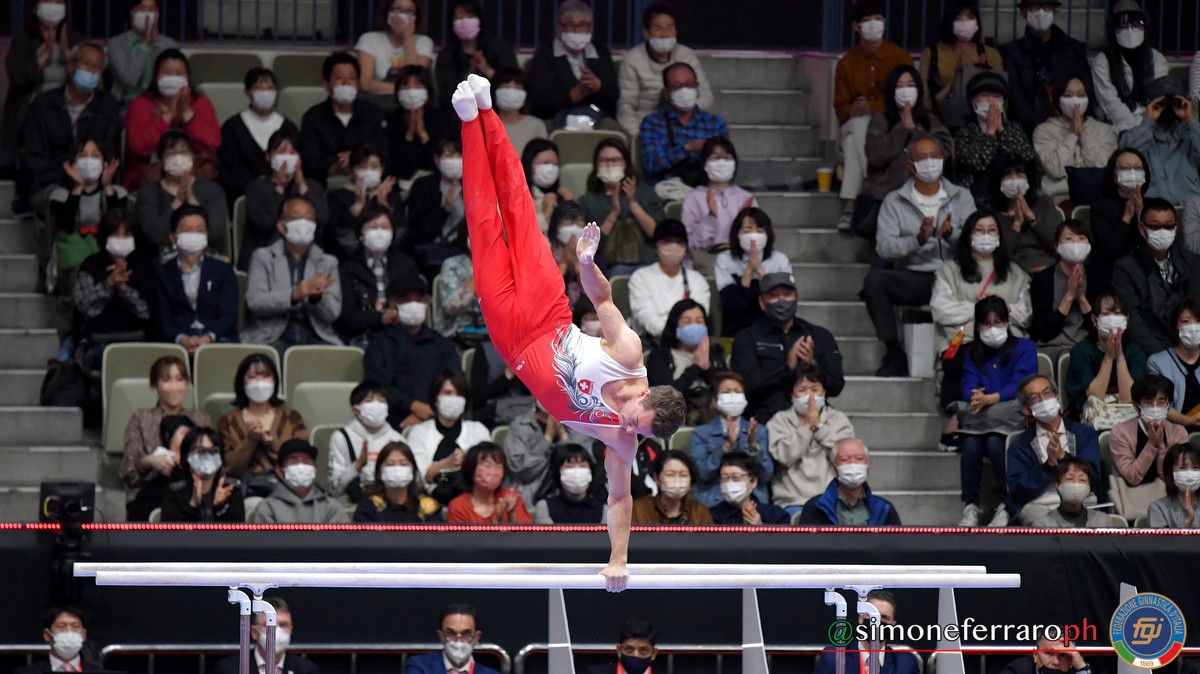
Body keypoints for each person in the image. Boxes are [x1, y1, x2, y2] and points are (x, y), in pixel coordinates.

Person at [452, 74, 687, 589]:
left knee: (483, 226)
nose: (628, 428)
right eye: (636, 419)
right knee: (518, 212)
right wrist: (585, 264)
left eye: (639, 432)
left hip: (513, 340)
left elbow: (620, 498)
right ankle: (488, 112)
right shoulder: (628, 353)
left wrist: (619, 559)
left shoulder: (623, 442)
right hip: (549, 312)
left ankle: (469, 124)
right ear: (643, 394)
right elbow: (602, 299)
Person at [867, 137, 975, 376]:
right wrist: (917, 240)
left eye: (934, 156)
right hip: (915, 277)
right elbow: (884, 247)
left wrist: (951, 235)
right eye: (922, 158)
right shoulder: (894, 201)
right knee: (875, 282)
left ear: (943, 159)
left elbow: (976, 240)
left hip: (954, 275)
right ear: (910, 165)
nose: (930, 163)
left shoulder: (962, 196)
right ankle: (894, 352)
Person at [931, 212, 1032, 437]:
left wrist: (1003, 309)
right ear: (968, 235)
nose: (986, 235)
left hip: (1008, 341)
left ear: (999, 236)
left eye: (991, 230)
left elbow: (1025, 315)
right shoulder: (950, 270)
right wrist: (981, 309)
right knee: (970, 357)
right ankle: (964, 417)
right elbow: (941, 309)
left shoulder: (1015, 273)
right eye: (979, 230)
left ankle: (981, 416)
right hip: (965, 340)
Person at [955, 296, 1037, 527]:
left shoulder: (1025, 348)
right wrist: (975, 396)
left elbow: (1022, 383)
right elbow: (968, 383)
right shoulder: (972, 353)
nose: (992, 329)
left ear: (1007, 322)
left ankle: (1005, 503)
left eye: (998, 322)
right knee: (970, 443)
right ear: (978, 326)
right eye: (986, 324)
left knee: (994, 442)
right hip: (982, 418)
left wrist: (991, 398)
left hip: (1012, 415)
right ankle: (971, 505)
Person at [833, 1, 914, 229]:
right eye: (867, 20)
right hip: (855, 122)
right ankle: (877, 190)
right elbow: (840, 107)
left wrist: (874, 107)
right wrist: (853, 110)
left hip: (890, 123)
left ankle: (850, 204)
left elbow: (908, 95)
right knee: (859, 125)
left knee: (853, 141)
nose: (873, 24)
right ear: (856, 27)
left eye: (878, 19)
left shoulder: (899, 57)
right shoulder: (846, 63)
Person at [17, 43, 119, 218]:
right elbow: (34, 155)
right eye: (86, 64)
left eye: (97, 67)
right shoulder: (43, 105)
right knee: (62, 198)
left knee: (101, 198)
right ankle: (60, 237)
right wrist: (68, 178)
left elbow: (109, 151)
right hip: (50, 182)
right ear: (71, 66)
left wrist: (89, 180)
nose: (92, 71)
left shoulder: (107, 106)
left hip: (95, 182)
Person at [732, 271, 845, 419]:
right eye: (773, 296)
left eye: (787, 295)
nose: (781, 301)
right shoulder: (747, 337)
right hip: (765, 418)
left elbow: (836, 386)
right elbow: (745, 386)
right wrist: (787, 369)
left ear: (796, 297)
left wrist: (812, 364)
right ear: (761, 302)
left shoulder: (819, 335)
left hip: (813, 416)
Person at [242, 196, 343, 353]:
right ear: (281, 226)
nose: (303, 223)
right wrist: (293, 295)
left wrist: (316, 298)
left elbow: (333, 313)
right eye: (296, 218)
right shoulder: (263, 257)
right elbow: (255, 302)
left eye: (309, 218)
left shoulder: (327, 262)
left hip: (316, 335)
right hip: (272, 336)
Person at [861, 64, 953, 230]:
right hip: (886, 197)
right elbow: (875, 155)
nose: (905, 91)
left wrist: (915, 129)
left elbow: (945, 149)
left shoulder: (929, 120)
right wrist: (901, 129)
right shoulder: (880, 120)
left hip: (927, 199)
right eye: (899, 86)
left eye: (910, 85)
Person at [364, 274, 461, 428]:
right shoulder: (379, 346)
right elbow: (381, 386)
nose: (413, 305)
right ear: (394, 303)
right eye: (406, 300)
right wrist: (413, 406)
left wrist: (429, 411)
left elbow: (452, 382)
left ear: (427, 303)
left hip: (437, 417)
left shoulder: (443, 345)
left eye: (419, 299)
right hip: (392, 420)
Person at [119, 356, 211, 518]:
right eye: (167, 380)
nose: (174, 387)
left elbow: (214, 460)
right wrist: (150, 461)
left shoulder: (201, 420)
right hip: (150, 492)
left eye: (179, 379)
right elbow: (129, 470)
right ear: (155, 385)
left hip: (193, 488)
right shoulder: (141, 418)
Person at [3, 1, 83, 184]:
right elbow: (17, 76)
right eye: (48, 1)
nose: (53, 6)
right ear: (35, 8)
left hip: (68, 106)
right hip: (32, 108)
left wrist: (67, 54)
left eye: (58, 2)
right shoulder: (23, 41)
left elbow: (85, 79)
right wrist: (45, 53)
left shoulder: (74, 40)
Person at [1007, 374, 1103, 524]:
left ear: (1057, 398)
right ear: (1026, 410)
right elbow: (1018, 490)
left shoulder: (1085, 434)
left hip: (1083, 502)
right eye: (1034, 397)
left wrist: (1062, 457)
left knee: (1103, 524)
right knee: (1047, 526)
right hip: (1040, 505)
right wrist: (1049, 465)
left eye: (1047, 393)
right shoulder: (1020, 444)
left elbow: (1093, 474)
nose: (1043, 400)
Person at [1112, 197, 1200, 355]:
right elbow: (1133, 320)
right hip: (1151, 348)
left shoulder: (1191, 260)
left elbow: (1196, 306)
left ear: (1176, 227)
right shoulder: (1125, 268)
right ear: (1142, 228)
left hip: (1191, 341)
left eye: (1169, 226)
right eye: (1155, 226)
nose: (1162, 232)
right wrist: (1163, 355)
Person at [124, 48, 221, 189]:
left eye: (179, 73)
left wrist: (187, 114)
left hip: (195, 176)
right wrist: (168, 115)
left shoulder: (200, 103)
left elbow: (213, 144)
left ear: (187, 77)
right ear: (156, 76)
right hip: (150, 179)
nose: (173, 78)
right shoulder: (140, 104)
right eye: (167, 73)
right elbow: (137, 147)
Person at [617, 1, 713, 138]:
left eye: (669, 28)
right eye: (658, 28)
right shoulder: (632, 59)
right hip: (647, 128)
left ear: (676, 30)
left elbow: (706, 96)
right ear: (646, 32)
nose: (664, 34)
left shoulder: (687, 55)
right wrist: (640, 135)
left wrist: (685, 116)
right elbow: (625, 106)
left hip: (687, 125)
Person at [766, 365, 854, 514]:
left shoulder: (838, 419)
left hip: (832, 501)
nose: (809, 397)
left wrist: (818, 428)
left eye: (815, 390)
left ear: (824, 392)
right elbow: (784, 458)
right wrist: (806, 428)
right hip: (792, 502)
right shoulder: (779, 420)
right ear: (791, 394)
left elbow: (845, 456)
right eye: (802, 390)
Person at [72, 210, 155, 367]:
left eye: (127, 235)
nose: (121, 240)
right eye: (116, 235)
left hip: (138, 341)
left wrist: (124, 288)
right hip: (99, 342)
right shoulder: (91, 265)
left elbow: (146, 312)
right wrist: (109, 283)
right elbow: (85, 307)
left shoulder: (145, 267)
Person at [152, 205, 239, 350]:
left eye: (200, 231)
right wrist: (181, 339)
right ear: (173, 238)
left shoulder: (222, 269)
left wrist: (208, 337)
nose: (194, 236)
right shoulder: (162, 273)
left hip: (217, 340)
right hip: (175, 344)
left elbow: (228, 315)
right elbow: (162, 319)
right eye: (187, 230)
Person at [299, 52, 390, 188]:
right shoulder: (313, 117)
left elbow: (384, 153)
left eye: (351, 78)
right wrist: (337, 167)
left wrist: (358, 159)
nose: (346, 83)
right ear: (327, 84)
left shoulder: (373, 114)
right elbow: (309, 162)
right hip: (326, 185)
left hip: (368, 180)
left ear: (358, 84)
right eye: (339, 78)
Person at [243, 128, 331, 269]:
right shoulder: (257, 187)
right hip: (265, 257)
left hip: (307, 257)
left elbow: (322, 218)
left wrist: (301, 185)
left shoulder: (312, 186)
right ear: (268, 156)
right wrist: (280, 187)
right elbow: (265, 222)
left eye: (292, 153)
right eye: (281, 152)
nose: (287, 157)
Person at [335, 204, 419, 347]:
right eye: (373, 227)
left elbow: (415, 303)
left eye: (385, 227)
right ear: (361, 234)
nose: (379, 232)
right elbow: (347, 318)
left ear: (392, 234)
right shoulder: (348, 268)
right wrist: (380, 318)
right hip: (361, 337)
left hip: (401, 335)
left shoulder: (406, 265)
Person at [1000, 1, 1090, 134]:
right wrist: (1041, 128)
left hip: (1072, 125)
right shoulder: (1011, 52)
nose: (1041, 13)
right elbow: (1016, 97)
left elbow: (1087, 88)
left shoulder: (1074, 49)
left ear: (1053, 10)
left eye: (1046, 7)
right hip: (1028, 130)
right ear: (1024, 12)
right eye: (1035, 8)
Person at [578, 137, 665, 273]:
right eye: (604, 161)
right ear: (596, 164)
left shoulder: (646, 193)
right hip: (607, 267)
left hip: (647, 264)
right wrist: (613, 215)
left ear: (626, 164)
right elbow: (589, 246)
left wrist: (633, 204)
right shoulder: (587, 201)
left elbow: (658, 234)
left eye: (615, 160)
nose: (609, 165)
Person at [638, 62, 730, 188]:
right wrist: (687, 148)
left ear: (697, 86)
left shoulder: (715, 123)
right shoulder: (653, 122)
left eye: (689, 84)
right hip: (665, 190)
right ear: (667, 93)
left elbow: (726, 165)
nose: (684, 90)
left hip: (705, 189)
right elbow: (651, 164)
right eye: (677, 86)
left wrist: (709, 152)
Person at [526, 0, 620, 124]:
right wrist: (574, 94)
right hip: (554, 120)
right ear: (559, 28)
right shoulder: (544, 55)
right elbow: (538, 101)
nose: (576, 31)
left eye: (582, 25)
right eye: (570, 25)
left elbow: (615, 95)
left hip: (598, 119)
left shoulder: (601, 53)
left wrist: (597, 86)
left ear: (590, 28)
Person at [219, 353, 308, 482]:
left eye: (265, 375)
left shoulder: (292, 418)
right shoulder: (228, 422)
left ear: (274, 380)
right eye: (252, 376)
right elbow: (229, 469)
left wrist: (270, 443)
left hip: (286, 485)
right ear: (242, 382)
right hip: (245, 487)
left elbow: (301, 462)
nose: (259, 382)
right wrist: (251, 441)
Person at [1031, 74, 1119, 204]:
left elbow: (1104, 167)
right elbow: (1055, 169)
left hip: (1098, 199)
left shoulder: (1105, 131)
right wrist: (1072, 135)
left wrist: (1083, 135)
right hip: (1058, 200)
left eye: (1081, 95)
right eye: (1068, 95)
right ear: (1058, 100)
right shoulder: (1043, 131)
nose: (1075, 101)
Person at [407, 370, 492, 505]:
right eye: (448, 393)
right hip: (428, 504)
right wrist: (446, 464)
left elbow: (488, 471)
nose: (454, 399)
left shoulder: (478, 431)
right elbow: (420, 477)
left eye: (459, 394)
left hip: (472, 503)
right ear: (436, 399)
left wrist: (468, 461)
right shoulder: (418, 433)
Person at [135, 130, 229, 250]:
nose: (178, 158)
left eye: (184, 152)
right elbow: (155, 236)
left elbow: (215, 232)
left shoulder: (212, 190)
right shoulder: (148, 192)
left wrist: (192, 201)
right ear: (161, 159)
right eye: (171, 153)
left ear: (192, 157)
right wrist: (177, 202)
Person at [48, 138, 127, 278]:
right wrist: (78, 187)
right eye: (82, 155)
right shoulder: (59, 195)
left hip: (106, 252)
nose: (89, 160)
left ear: (104, 163)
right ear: (73, 163)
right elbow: (66, 226)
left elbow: (118, 226)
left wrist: (107, 187)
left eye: (95, 156)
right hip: (74, 253)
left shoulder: (118, 192)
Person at [689, 371, 770, 508]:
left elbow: (766, 475)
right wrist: (725, 448)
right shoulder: (701, 434)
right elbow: (701, 474)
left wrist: (753, 449)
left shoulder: (759, 431)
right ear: (715, 401)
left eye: (738, 392)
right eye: (726, 392)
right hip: (714, 502)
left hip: (752, 501)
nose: (733, 396)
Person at [218, 67, 299, 204]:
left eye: (270, 88)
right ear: (247, 92)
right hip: (244, 196)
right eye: (259, 88)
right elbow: (229, 170)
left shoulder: (289, 127)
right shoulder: (233, 127)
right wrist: (258, 185)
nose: (265, 93)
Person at [918, 1, 1003, 128]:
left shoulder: (990, 54)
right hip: (942, 123)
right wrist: (958, 77)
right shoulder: (932, 53)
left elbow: (1000, 96)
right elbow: (927, 103)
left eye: (970, 17)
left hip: (983, 123)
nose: (965, 23)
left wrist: (982, 73)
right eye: (959, 19)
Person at [1063, 291, 1147, 420]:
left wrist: (1120, 358)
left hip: (1127, 418)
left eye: (1117, 313)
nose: (1112, 319)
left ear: (1126, 319)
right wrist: (1108, 358)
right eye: (1106, 314)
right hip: (1091, 419)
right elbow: (1094, 398)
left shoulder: (1135, 351)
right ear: (1094, 320)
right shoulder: (1081, 352)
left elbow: (1128, 399)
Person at [1091, 0, 1168, 136]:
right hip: (1115, 127)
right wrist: (1135, 132)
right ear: (1114, 30)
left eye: (1137, 24)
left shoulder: (1157, 59)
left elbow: (1158, 99)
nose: (1130, 30)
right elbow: (1111, 104)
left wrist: (1144, 127)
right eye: (1122, 25)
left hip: (1151, 126)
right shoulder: (1102, 62)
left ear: (1144, 28)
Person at [955, 72, 1038, 199]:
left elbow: (1026, 158)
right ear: (972, 101)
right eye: (984, 96)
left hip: (1012, 192)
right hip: (978, 196)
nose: (991, 101)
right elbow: (977, 163)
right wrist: (990, 132)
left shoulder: (1014, 128)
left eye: (996, 96)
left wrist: (1002, 131)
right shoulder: (964, 132)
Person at [712, 208, 791, 337]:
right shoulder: (724, 259)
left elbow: (781, 305)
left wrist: (760, 271)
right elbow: (730, 305)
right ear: (737, 234)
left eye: (759, 231)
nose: (753, 236)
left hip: (772, 331)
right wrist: (749, 270)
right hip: (735, 330)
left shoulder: (779, 260)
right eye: (747, 231)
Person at [1121, 76, 1200, 206]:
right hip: (1153, 209)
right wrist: (1148, 121)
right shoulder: (1136, 134)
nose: (1168, 108)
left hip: (1191, 206)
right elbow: (1125, 157)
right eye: (1162, 103)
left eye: (1174, 102)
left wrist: (1190, 119)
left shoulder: (1191, 133)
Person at [645, 299, 725, 425]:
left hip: (716, 420)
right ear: (675, 325)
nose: (694, 326)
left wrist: (707, 368)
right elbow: (662, 398)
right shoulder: (660, 356)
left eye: (699, 321)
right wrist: (695, 367)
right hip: (676, 421)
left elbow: (728, 390)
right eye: (687, 321)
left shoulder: (714, 355)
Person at [1108, 374, 1179, 517]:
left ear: (1169, 404)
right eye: (1148, 402)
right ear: (1136, 406)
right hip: (1130, 502)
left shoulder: (1178, 432)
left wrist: (1161, 446)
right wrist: (1151, 445)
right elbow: (1132, 477)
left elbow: (1171, 478)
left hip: (1168, 502)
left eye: (1161, 401)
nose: (1155, 407)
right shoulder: (1120, 433)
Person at [627, 220, 711, 339]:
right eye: (667, 241)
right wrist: (673, 334)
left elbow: (698, 318)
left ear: (686, 248)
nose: (673, 247)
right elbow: (647, 317)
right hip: (651, 341)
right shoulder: (640, 277)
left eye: (679, 242)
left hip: (689, 339)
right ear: (656, 247)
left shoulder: (697, 280)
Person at [1027, 220, 1095, 362]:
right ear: (1057, 247)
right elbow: (1043, 331)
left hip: (1086, 346)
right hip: (1049, 346)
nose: (1075, 243)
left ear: (1089, 246)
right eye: (1069, 238)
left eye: (1081, 238)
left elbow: (1098, 330)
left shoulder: (1098, 277)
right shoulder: (1042, 280)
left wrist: (1081, 299)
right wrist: (1069, 296)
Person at [434, 0, 518, 113]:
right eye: (459, 18)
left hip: (497, 112)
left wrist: (486, 69)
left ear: (480, 20)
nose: (465, 22)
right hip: (459, 115)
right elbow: (447, 97)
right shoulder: (446, 54)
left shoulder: (499, 47)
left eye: (470, 16)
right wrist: (470, 71)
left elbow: (514, 85)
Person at [327, 380, 404, 501]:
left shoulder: (397, 439)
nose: (376, 406)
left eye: (381, 401)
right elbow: (334, 490)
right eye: (369, 401)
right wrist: (357, 466)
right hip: (351, 504)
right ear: (355, 409)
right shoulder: (341, 438)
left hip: (390, 503)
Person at [326, 143, 405, 260]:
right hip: (349, 258)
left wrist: (385, 208)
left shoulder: (392, 197)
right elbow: (332, 237)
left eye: (374, 167)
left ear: (382, 168)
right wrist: (357, 208)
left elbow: (401, 235)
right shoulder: (337, 196)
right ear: (352, 170)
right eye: (362, 167)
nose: (368, 171)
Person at [1088, 148, 1150, 297]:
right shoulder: (1100, 206)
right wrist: (1127, 216)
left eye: (1137, 168)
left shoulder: (1153, 206)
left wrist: (1140, 214)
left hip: (1145, 273)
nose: (1132, 172)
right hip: (1110, 274)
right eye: (1125, 168)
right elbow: (1110, 249)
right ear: (1114, 175)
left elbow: (1153, 247)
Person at [505, 402, 593, 508]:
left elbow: (587, 467)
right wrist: (547, 439)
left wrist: (564, 439)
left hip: (574, 500)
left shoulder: (580, 425)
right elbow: (522, 470)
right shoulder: (520, 426)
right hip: (530, 499)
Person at [812, 590, 921, 674]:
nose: (877, 622)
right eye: (872, 615)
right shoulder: (833, 657)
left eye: (884, 617)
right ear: (861, 619)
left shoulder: (905, 664)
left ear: (893, 625)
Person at [797, 438, 900, 525]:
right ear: (833, 468)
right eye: (844, 459)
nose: (852, 464)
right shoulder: (816, 508)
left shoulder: (884, 509)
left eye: (859, 458)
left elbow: (897, 542)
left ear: (868, 466)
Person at [682, 137, 758, 253]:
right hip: (705, 260)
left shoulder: (746, 198)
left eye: (727, 158)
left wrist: (741, 221)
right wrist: (711, 218)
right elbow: (690, 243)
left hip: (740, 258)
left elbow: (756, 240)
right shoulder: (694, 198)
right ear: (704, 163)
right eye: (715, 158)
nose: (722, 163)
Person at [989, 158, 1063, 274]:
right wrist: (1017, 224)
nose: (1014, 179)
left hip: (1048, 266)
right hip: (1014, 271)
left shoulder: (1043, 203)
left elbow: (1056, 244)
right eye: (1008, 174)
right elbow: (999, 256)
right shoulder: (992, 214)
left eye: (1019, 173)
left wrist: (1031, 218)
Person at [404, 136, 467, 270]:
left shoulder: (473, 187)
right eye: (449, 155)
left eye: (459, 156)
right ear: (437, 160)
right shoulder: (423, 186)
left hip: (465, 255)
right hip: (431, 257)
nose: (455, 160)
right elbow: (417, 233)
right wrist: (444, 211)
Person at [252, 438, 349, 523]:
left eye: (307, 461)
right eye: (293, 462)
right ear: (280, 471)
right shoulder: (267, 509)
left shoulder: (331, 507)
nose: (301, 467)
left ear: (315, 469)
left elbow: (342, 538)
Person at [213, 597, 320, 674]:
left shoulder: (307, 670)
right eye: (268, 624)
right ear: (254, 632)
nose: (277, 630)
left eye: (283, 625)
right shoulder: (229, 669)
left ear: (291, 630)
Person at [356, 0, 434, 103]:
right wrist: (402, 90)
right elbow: (365, 84)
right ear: (387, 12)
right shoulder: (368, 39)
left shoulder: (424, 42)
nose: (402, 16)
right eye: (397, 9)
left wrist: (408, 37)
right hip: (377, 102)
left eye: (409, 11)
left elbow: (415, 80)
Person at [161, 427, 245, 522]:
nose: (207, 456)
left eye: (213, 451)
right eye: (201, 451)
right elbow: (170, 530)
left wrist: (219, 508)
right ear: (186, 456)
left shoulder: (231, 488)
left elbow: (237, 529)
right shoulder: (174, 492)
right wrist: (192, 506)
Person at [386, 64, 452, 182]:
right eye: (406, 86)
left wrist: (423, 135)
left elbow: (441, 165)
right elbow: (400, 169)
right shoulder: (390, 121)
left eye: (418, 86)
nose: (412, 92)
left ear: (427, 91)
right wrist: (409, 136)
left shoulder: (441, 120)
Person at [353, 440, 444, 523]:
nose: (397, 469)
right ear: (379, 471)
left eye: (403, 464)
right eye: (390, 464)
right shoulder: (369, 506)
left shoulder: (428, 507)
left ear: (413, 471)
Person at [105, 0, 178, 103]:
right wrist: (144, 45)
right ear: (131, 14)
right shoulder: (116, 44)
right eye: (142, 9)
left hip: (160, 104)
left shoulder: (169, 44)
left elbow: (169, 77)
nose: (148, 15)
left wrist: (156, 44)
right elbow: (130, 80)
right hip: (126, 103)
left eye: (152, 9)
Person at [446, 442, 532, 524]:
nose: (493, 471)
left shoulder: (511, 498)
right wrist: (496, 521)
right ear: (471, 470)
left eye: (498, 466)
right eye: (487, 465)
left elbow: (526, 533)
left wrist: (511, 516)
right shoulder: (459, 506)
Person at [1148, 298, 1200, 430]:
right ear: (1176, 328)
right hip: (1174, 431)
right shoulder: (1157, 362)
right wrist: (1189, 420)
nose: (1193, 326)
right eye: (1186, 321)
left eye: (1198, 321)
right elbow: (1158, 405)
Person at [405, 604, 501, 674]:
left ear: (476, 637)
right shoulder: (419, 666)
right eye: (451, 633)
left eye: (466, 634)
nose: (458, 641)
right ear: (441, 636)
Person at [631, 449, 713, 525]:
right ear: (656, 478)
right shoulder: (639, 508)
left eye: (683, 475)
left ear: (691, 480)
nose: (677, 480)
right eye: (670, 474)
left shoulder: (700, 512)